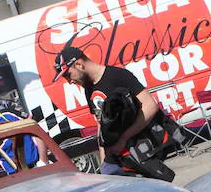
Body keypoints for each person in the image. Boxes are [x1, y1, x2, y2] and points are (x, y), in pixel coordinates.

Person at [52, 45, 163, 173]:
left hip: (143, 152)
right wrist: (105, 161)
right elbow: (101, 125)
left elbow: (150, 105)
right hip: (120, 159)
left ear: (79, 64)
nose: (69, 81)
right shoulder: (89, 89)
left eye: (68, 74)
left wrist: (124, 139)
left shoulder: (118, 76)